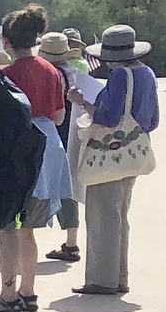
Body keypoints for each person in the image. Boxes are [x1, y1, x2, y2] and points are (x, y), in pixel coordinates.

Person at [0, 4, 70, 312]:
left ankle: (7, 294)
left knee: (7, 228)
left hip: (20, 150)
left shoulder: (6, 76)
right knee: (28, 229)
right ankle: (28, 291)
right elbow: (58, 115)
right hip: (50, 149)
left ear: (5, 40)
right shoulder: (52, 71)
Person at [64, 24, 161, 297]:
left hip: (109, 153)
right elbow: (152, 120)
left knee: (101, 215)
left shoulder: (120, 76)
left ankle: (102, 279)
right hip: (132, 151)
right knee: (119, 215)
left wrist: (82, 102)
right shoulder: (147, 73)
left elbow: (107, 117)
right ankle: (119, 276)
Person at [39, 30, 85, 263]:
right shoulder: (76, 72)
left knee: (30, 185)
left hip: (51, 132)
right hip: (73, 132)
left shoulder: (47, 74)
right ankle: (71, 241)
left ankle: (14, 239)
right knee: (68, 189)